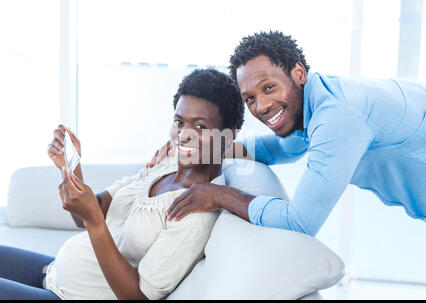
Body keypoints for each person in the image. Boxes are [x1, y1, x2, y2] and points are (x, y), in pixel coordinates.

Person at [0, 68, 244, 300]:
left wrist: (94, 221)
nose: (183, 135)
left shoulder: (195, 213)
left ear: (227, 136)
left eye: (199, 126)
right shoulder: (165, 165)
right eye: (179, 122)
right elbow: (85, 216)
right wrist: (71, 168)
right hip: (55, 273)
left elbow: (137, 296)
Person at [150, 30, 426, 237]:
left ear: (298, 73)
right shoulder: (318, 101)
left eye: (268, 88)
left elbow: (300, 222)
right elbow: (279, 148)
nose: (262, 107)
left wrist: (221, 195)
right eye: (250, 99)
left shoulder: (338, 116)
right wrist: (200, 144)